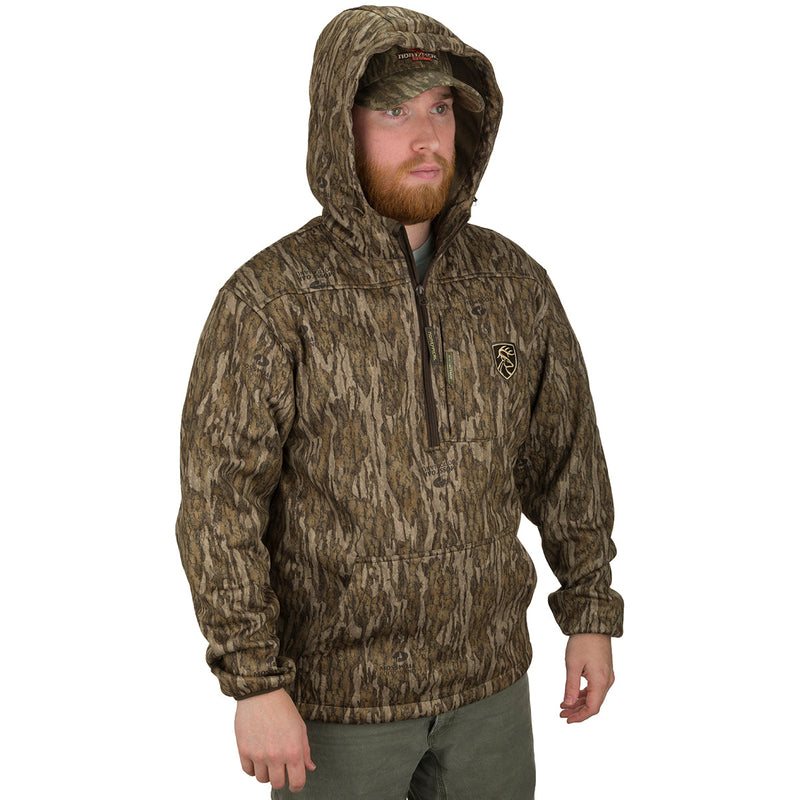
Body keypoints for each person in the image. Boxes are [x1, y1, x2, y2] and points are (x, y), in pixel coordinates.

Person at [176, 5, 623, 798]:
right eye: (393, 112)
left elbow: (565, 458)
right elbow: (221, 504)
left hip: (490, 688)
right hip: (339, 707)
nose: (425, 138)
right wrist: (254, 683)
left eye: (440, 109)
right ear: (338, 127)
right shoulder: (272, 301)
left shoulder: (512, 285)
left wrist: (589, 609)